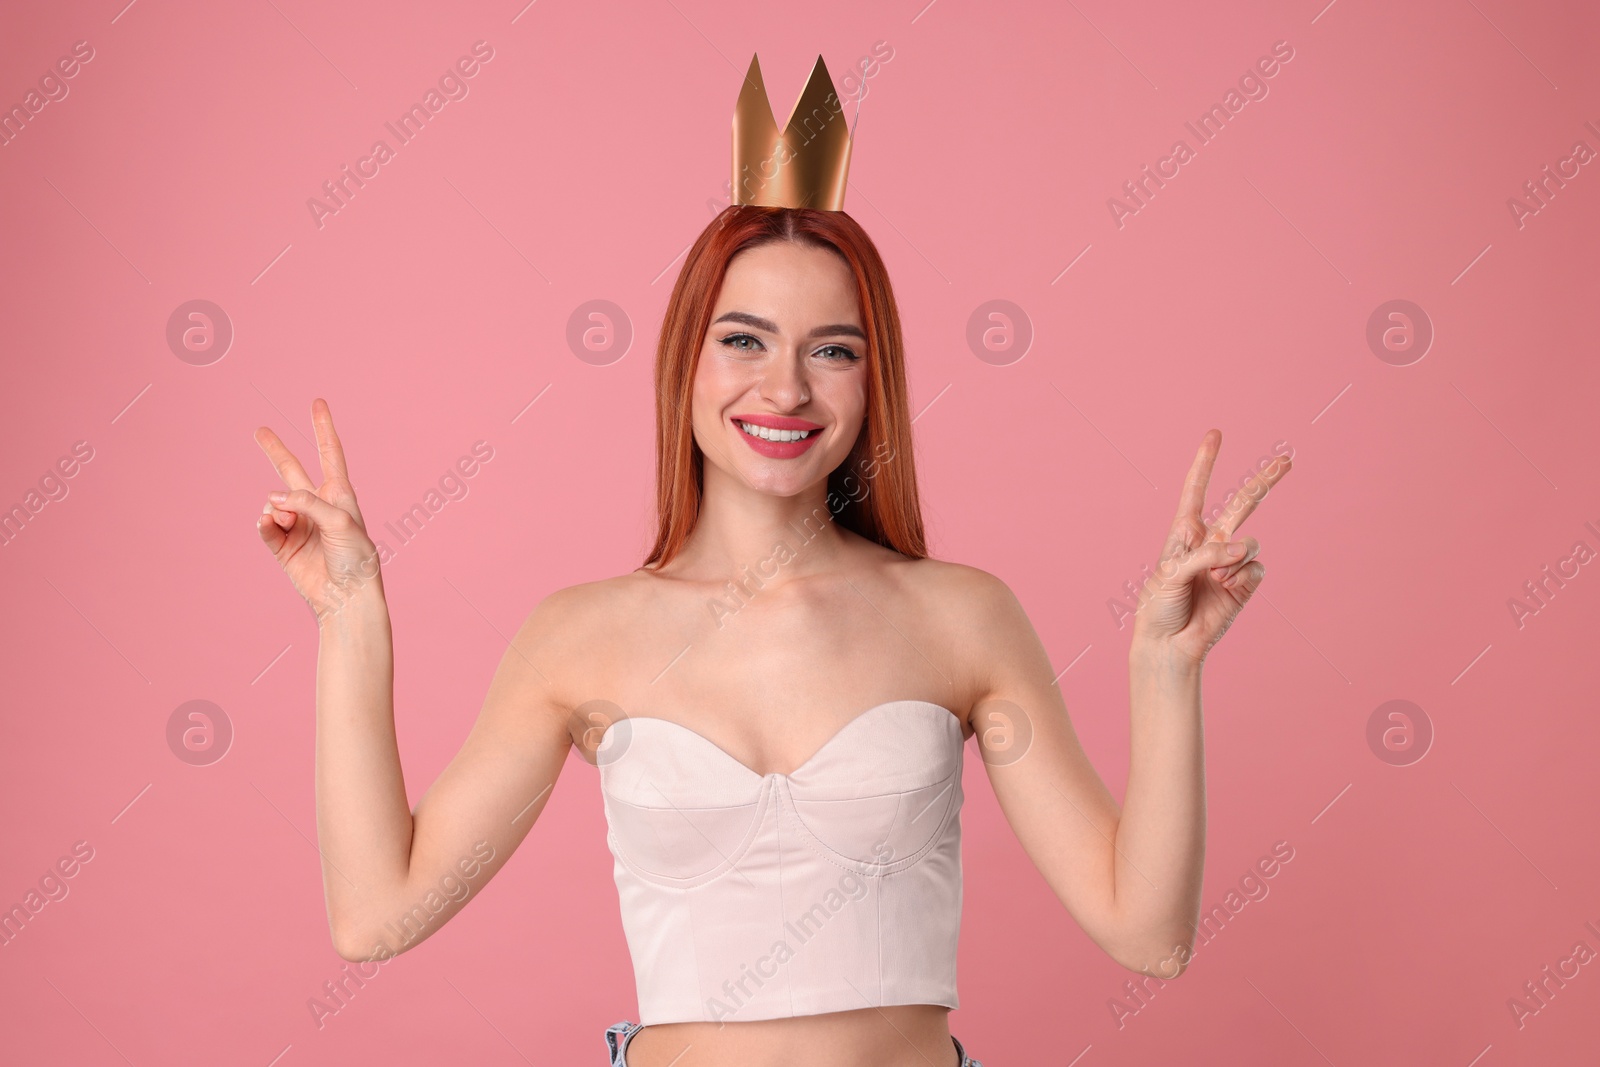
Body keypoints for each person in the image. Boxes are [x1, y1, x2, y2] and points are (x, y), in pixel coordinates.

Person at [253, 55, 1289, 1067]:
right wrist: (348, 613)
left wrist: (1166, 671)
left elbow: (1146, 935)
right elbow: (377, 915)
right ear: (685, 359)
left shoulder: (960, 616)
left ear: (871, 377)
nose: (785, 387)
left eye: (832, 349)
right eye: (743, 340)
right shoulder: (578, 637)